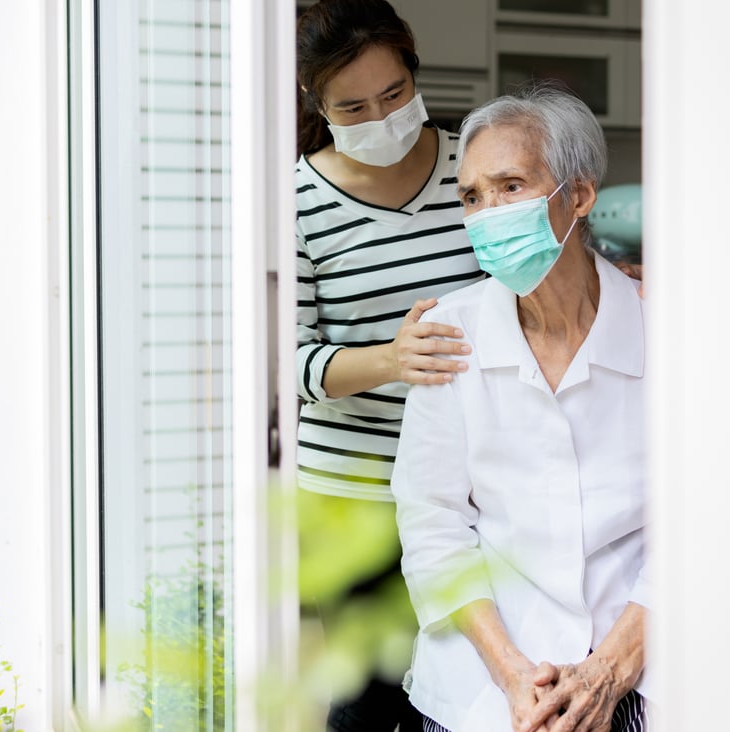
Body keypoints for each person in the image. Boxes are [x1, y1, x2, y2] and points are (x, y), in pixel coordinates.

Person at [390, 85, 650, 732]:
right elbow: (433, 527)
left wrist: (608, 672)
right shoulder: (448, 333)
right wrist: (513, 676)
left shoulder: (667, 328)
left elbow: (705, 523)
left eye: (510, 186)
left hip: (640, 671)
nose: (487, 214)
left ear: (580, 196)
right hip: (484, 684)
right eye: (471, 197)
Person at [293, 1, 485, 729]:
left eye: (395, 94)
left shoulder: (475, 163)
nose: (381, 116)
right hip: (353, 499)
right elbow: (290, 363)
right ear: (318, 102)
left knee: (469, 683)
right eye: (354, 106)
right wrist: (391, 358)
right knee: (370, 698)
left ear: (415, 73)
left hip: (473, 482)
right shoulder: (298, 200)